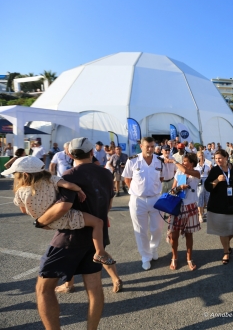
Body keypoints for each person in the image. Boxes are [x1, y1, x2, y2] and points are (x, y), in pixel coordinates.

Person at [29, 137, 117, 329]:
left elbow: (64, 206)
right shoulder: (106, 174)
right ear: (92, 152)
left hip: (70, 238)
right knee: (94, 288)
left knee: (43, 289)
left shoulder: (69, 175)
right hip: (96, 238)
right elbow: (109, 203)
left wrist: (40, 221)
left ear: (69, 154)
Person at [4, 155, 115, 265]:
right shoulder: (50, 179)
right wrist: (79, 190)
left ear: (25, 175)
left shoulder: (20, 192)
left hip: (46, 222)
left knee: (65, 250)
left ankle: (68, 282)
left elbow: (24, 210)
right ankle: (99, 253)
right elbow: (69, 185)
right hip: (64, 217)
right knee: (98, 222)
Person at [122, 137, 166, 271]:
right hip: (138, 200)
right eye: (147, 146)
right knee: (140, 230)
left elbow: (162, 178)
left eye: (152, 146)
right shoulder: (133, 160)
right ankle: (145, 257)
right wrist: (135, 191)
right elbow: (127, 178)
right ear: (141, 146)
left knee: (157, 228)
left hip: (155, 198)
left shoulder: (159, 161)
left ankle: (153, 248)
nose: (150, 149)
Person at [204, 149, 233, 265]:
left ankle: (226, 243)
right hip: (220, 206)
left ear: (226, 157)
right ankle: (226, 252)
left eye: (220, 158)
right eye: (216, 159)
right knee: (223, 231)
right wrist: (217, 180)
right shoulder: (215, 170)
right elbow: (208, 186)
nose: (218, 161)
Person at [167, 153, 201, 271]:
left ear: (192, 163)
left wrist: (174, 162)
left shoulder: (196, 174)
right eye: (183, 161)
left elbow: (186, 170)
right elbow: (172, 191)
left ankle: (189, 259)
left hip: (190, 207)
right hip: (177, 206)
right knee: (174, 235)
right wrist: (179, 188)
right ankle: (174, 257)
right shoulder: (179, 173)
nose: (183, 162)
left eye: (186, 161)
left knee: (189, 235)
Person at [196, 151, 211, 223]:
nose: (201, 157)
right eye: (199, 156)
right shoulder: (196, 166)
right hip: (199, 182)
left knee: (207, 198)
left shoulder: (207, 165)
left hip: (206, 182)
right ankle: (200, 215)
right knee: (200, 198)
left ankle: (205, 212)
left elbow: (209, 174)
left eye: (202, 155)